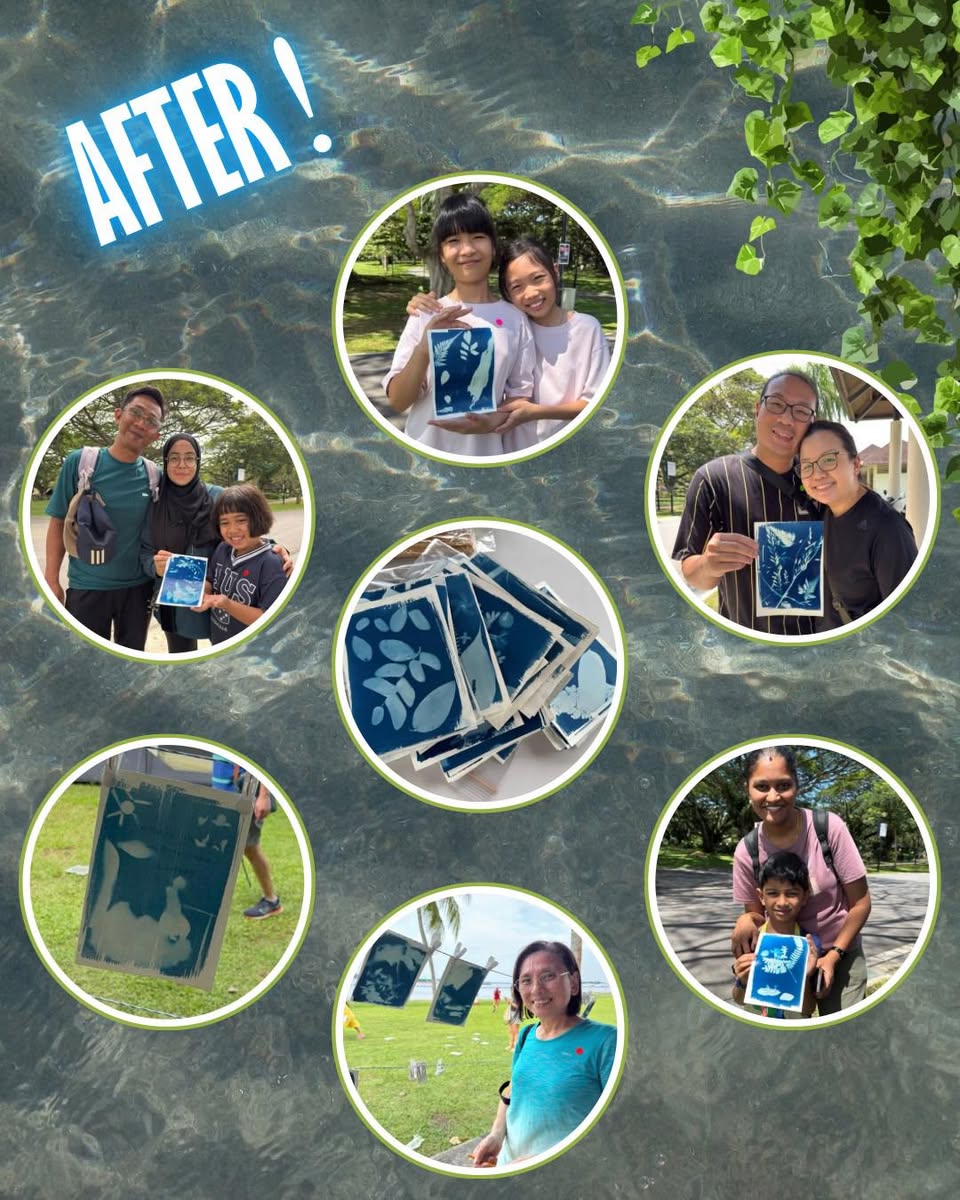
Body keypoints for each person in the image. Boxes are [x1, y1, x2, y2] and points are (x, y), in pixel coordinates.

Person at [408, 237, 611, 451]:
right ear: (507, 293)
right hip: (514, 448)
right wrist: (420, 307)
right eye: (517, 286)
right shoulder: (512, 329)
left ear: (555, 271)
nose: (531, 293)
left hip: (567, 448)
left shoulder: (587, 328)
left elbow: (594, 403)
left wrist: (535, 412)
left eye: (538, 278)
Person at [382, 192, 536, 456]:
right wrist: (424, 349)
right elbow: (398, 401)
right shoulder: (426, 313)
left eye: (477, 237)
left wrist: (492, 422)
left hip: (485, 458)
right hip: (423, 455)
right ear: (442, 255)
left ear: (493, 246)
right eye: (453, 241)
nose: (467, 250)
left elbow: (518, 397)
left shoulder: (515, 319)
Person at [671, 371, 821, 635]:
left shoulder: (822, 482)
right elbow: (691, 569)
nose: (786, 419)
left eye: (801, 411)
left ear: (812, 422)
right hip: (745, 642)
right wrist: (709, 564)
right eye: (776, 404)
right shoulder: (714, 479)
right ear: (757, 409)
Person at [731, 747, 871, 1015]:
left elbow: (861, 903)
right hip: (785, 961)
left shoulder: (829, 829)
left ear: (796, 785)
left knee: (842, 1036)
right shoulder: (746, 850)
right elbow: (758, 915)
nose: (773, 796)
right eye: (762, 786)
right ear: (748, 789)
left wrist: (832, 957)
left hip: (840, 953)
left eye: (783, 785)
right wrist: (744, 920)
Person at [471, 941, 616, 1167]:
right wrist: (496, 1135)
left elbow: (620, 1128)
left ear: (574, 983)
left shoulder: (607, 1041)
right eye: (526, 980)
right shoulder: (527, 1034)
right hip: (509, 1169)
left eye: (548, 976)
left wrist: (544, 1159)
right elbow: (513, 1089)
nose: (536, 989)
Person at [44, 385, 165, 649]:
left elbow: (202, 500)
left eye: (151, 421)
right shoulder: (81, 463)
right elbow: (57, 521)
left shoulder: (155, 476)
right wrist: (51, 580)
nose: (141, 423)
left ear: (156, 435)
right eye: (136, 412)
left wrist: (271, 549)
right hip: (87, 587)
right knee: (83, 663)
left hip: (138, 591)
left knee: (130, 663)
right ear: (118, 415)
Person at [798, 420, 917, 629]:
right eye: (807, 465)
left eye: (828, 460)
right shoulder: (824, 514)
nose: (817, 474)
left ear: (855, 464)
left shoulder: (888, 529)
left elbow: (908, 619)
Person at [140, 433, 222, 654]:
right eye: (174, 458)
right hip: (174, 604)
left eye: (189, 457)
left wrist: (274, 549)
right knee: (182, 656)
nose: (182, 465)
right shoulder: (155, 503)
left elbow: (247, 535)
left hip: (217, 598)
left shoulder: (218, 497)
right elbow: (145, 551)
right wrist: (153, 566)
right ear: (165, 462)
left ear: (198, 461)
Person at [192, 484, 288, 645]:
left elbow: (268, 618)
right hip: (219, 639)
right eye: (224, 522)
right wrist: (204, 594)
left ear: (258, 517)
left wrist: (226, 604)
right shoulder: (223, 548)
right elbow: (210, 578)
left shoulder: (271, 563)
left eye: (241, 520)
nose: (232, 529)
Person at [731, 851, 822, 1019]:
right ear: (761, 897)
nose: (782, 902)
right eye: (772, 893)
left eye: (792, 893)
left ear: (805, 897)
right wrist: (743, 980)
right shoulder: (751, 941)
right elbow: (738, 999)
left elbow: (809, 1008)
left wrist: (805, 976)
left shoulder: (809, 946)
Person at [242, 779, 282, 920]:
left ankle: (271, 901)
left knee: (249, 847)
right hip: (223, 789)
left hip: (245, 790)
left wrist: (264, 795)